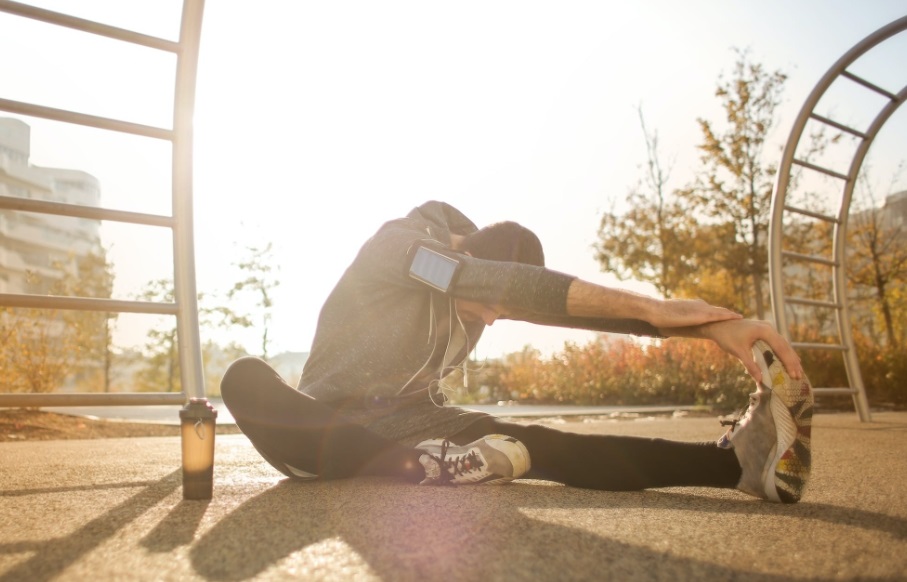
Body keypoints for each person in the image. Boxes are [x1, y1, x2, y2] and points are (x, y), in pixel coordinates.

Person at [221, 201, 813, 503]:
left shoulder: (482, 283)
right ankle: (425, 466)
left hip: (419, 426)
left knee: (543, 442)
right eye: (494, 304)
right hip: (321, 432)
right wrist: (657, 309)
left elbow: (556, 304)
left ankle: (735, 467)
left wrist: (707, 328)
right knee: (244, 377)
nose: (495, 319)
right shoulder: (403, 247)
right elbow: (484, 284)